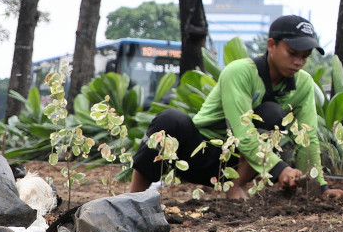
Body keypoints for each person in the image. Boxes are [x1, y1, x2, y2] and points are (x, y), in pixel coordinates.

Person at [129, 15, 328, 199]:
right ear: (271, 45)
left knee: (272, 114)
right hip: (199, 153)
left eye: (305, 56)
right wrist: (280, 169)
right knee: (169, 120)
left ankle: (234, 185)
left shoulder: (303, 83)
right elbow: (242, 131)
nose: (298, 62)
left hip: (235, 163)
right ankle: (131, 198)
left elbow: (307, 136)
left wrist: (319, 189)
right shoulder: (240, 72)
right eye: (292, 53)